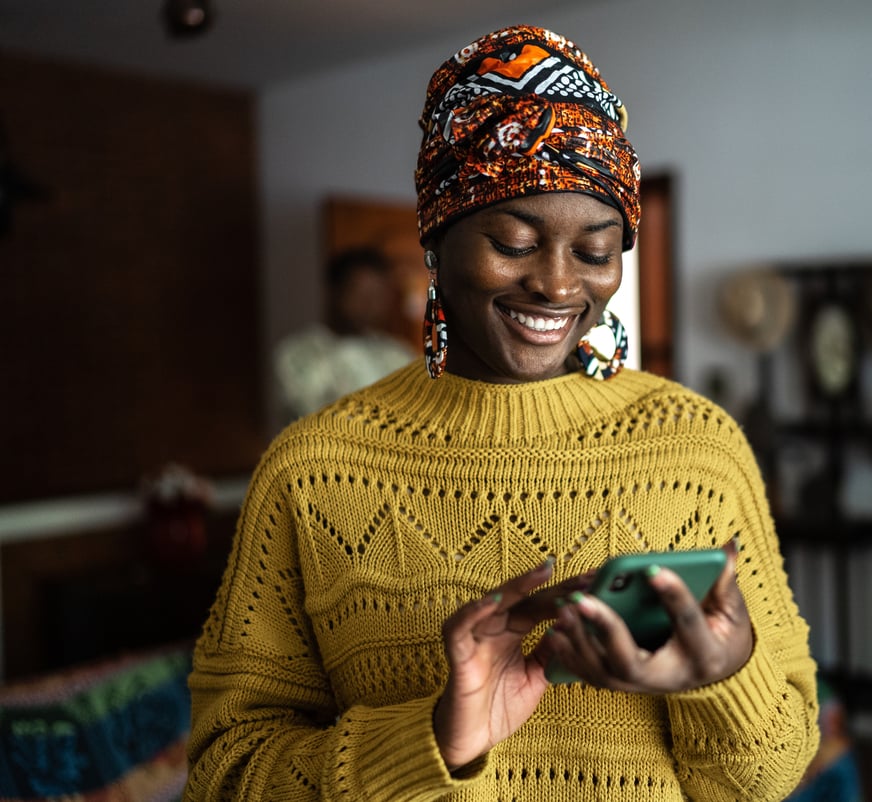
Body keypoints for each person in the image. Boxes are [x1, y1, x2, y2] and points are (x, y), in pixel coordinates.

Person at [185, 25, 819, 801]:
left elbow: (767, 777)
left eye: (594, 252)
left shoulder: (696, 447)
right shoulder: (311, 469)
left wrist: (726, 676)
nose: (557, 286)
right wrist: (433, 742)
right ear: (437, 239)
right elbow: (225, 775)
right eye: (513, 242)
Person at [274, 246, 416, 420]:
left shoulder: (397, 354)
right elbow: (312, 414)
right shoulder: (299, 353)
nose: (371, 305)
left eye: (378, 296)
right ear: (335, 292)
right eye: (362, 295)